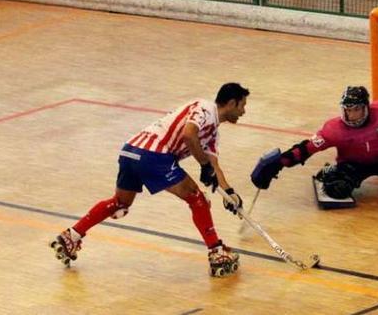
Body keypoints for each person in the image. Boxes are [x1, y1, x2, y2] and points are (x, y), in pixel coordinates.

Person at [51, 82, 250, 277]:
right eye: (242, 106)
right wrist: (204, 166)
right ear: (231, 103)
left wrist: (229, 193)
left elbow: (214, 164)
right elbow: (189, 135)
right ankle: (216, 252)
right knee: (197, 198)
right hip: (153, 154)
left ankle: (72, 235)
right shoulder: (205, 108)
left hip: (130, 151)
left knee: (120, 203)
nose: (243, 112)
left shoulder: (213, 131)